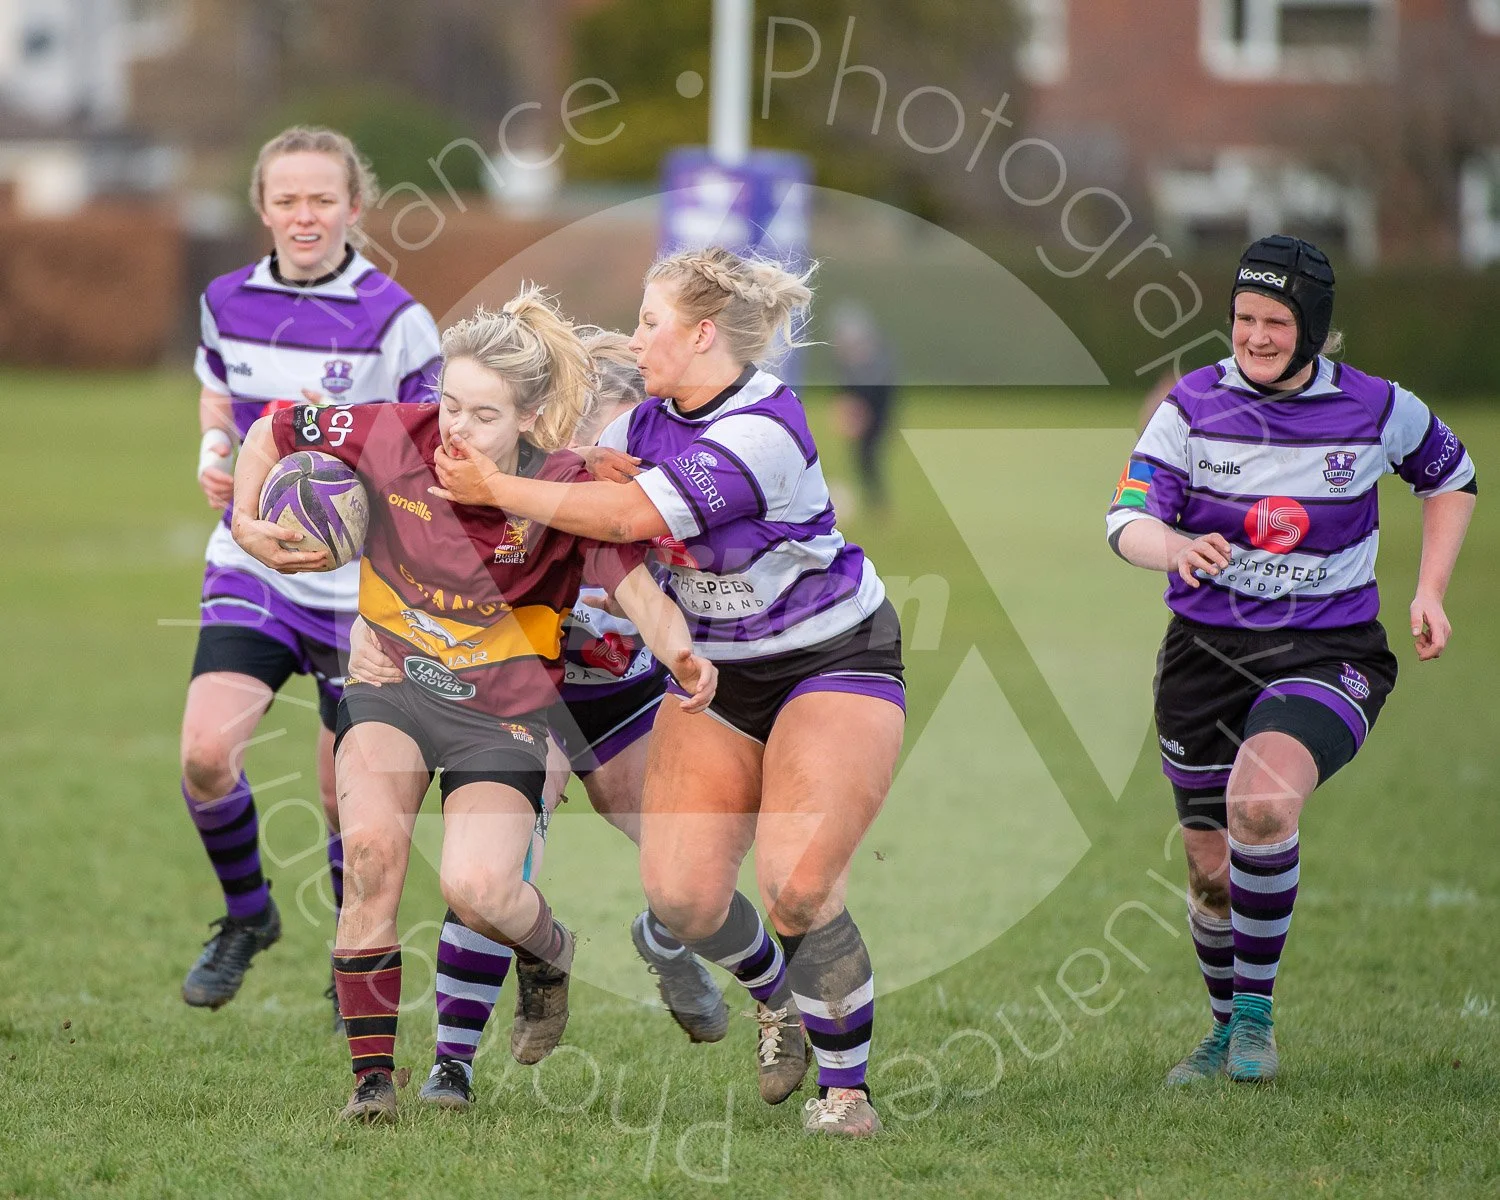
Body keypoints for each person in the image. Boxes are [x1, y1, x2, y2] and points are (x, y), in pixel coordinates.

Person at [427, 247, 906, 1138]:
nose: (637, 335)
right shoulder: (642, 424)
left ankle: (847, 1096)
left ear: (702, 335)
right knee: (682, 900)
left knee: (797, 882)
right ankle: (781, 1002)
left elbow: (625, 520)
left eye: (650, 322)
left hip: (829, 659)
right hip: (715, 677)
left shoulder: (766, 427)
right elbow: (578, 481)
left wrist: (498, 484)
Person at [231, 289, 716, 1124]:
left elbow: (630, 584)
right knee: (374, 862)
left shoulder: (561, 487)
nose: (454, 428)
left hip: (505, 714)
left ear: (530, 418)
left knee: (477, 887)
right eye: (449, 403)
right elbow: (272, 427)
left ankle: (550, 954)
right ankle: (372, 1084)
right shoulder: (393, 434)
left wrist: (680, 652)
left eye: (482, 415)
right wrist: (244, 523)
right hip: (391, 688)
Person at [1106, 235, 1477, 1085]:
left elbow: (1451, 477)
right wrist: (1173, 548)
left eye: (1276, 320)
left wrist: (1430, 590)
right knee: (1208, 874)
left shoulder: (1379, 408)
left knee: (1263, 804)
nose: (1257, 336)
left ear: (1312, 328)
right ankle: (1225, 1025)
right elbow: (1126, 520)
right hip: (1203, 658)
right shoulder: (1190, 407)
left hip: (1328, 650)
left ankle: (1258, 1022)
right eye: (1244, 318)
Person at [346, 330, 730, 1112]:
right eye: (586, 436)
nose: (598, 454)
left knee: (683, 865)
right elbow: (412, 551)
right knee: (491, 871)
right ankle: (453, 1062)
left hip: (621, 697)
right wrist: (367, 627)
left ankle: (666, 941)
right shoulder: (513, 472)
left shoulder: (660, 483)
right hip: (530, 699)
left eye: (615, 438)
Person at [180, 125, 441, 1023]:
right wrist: (219, 447)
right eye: (287, 199)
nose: (304, 215)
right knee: (206, 756)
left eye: (321, 198)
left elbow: (430, 443)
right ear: (263, 207)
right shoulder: (223, 299)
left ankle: (350, 951)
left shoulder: (398, 320)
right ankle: (247, 919)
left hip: (358, 590)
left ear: (354, 207)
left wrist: (356, 496)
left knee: (341, 796)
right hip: (251, 559)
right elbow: (219, 388)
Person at [829, 302, 898, 514]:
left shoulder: (874, 361)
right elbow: (846, 391)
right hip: (868, 416)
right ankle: (875, 504)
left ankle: (878, 504)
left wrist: (861, 415)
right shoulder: (850, 363)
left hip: (878, 416)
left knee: (867, 456)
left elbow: (874, 394)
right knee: (863, 458)